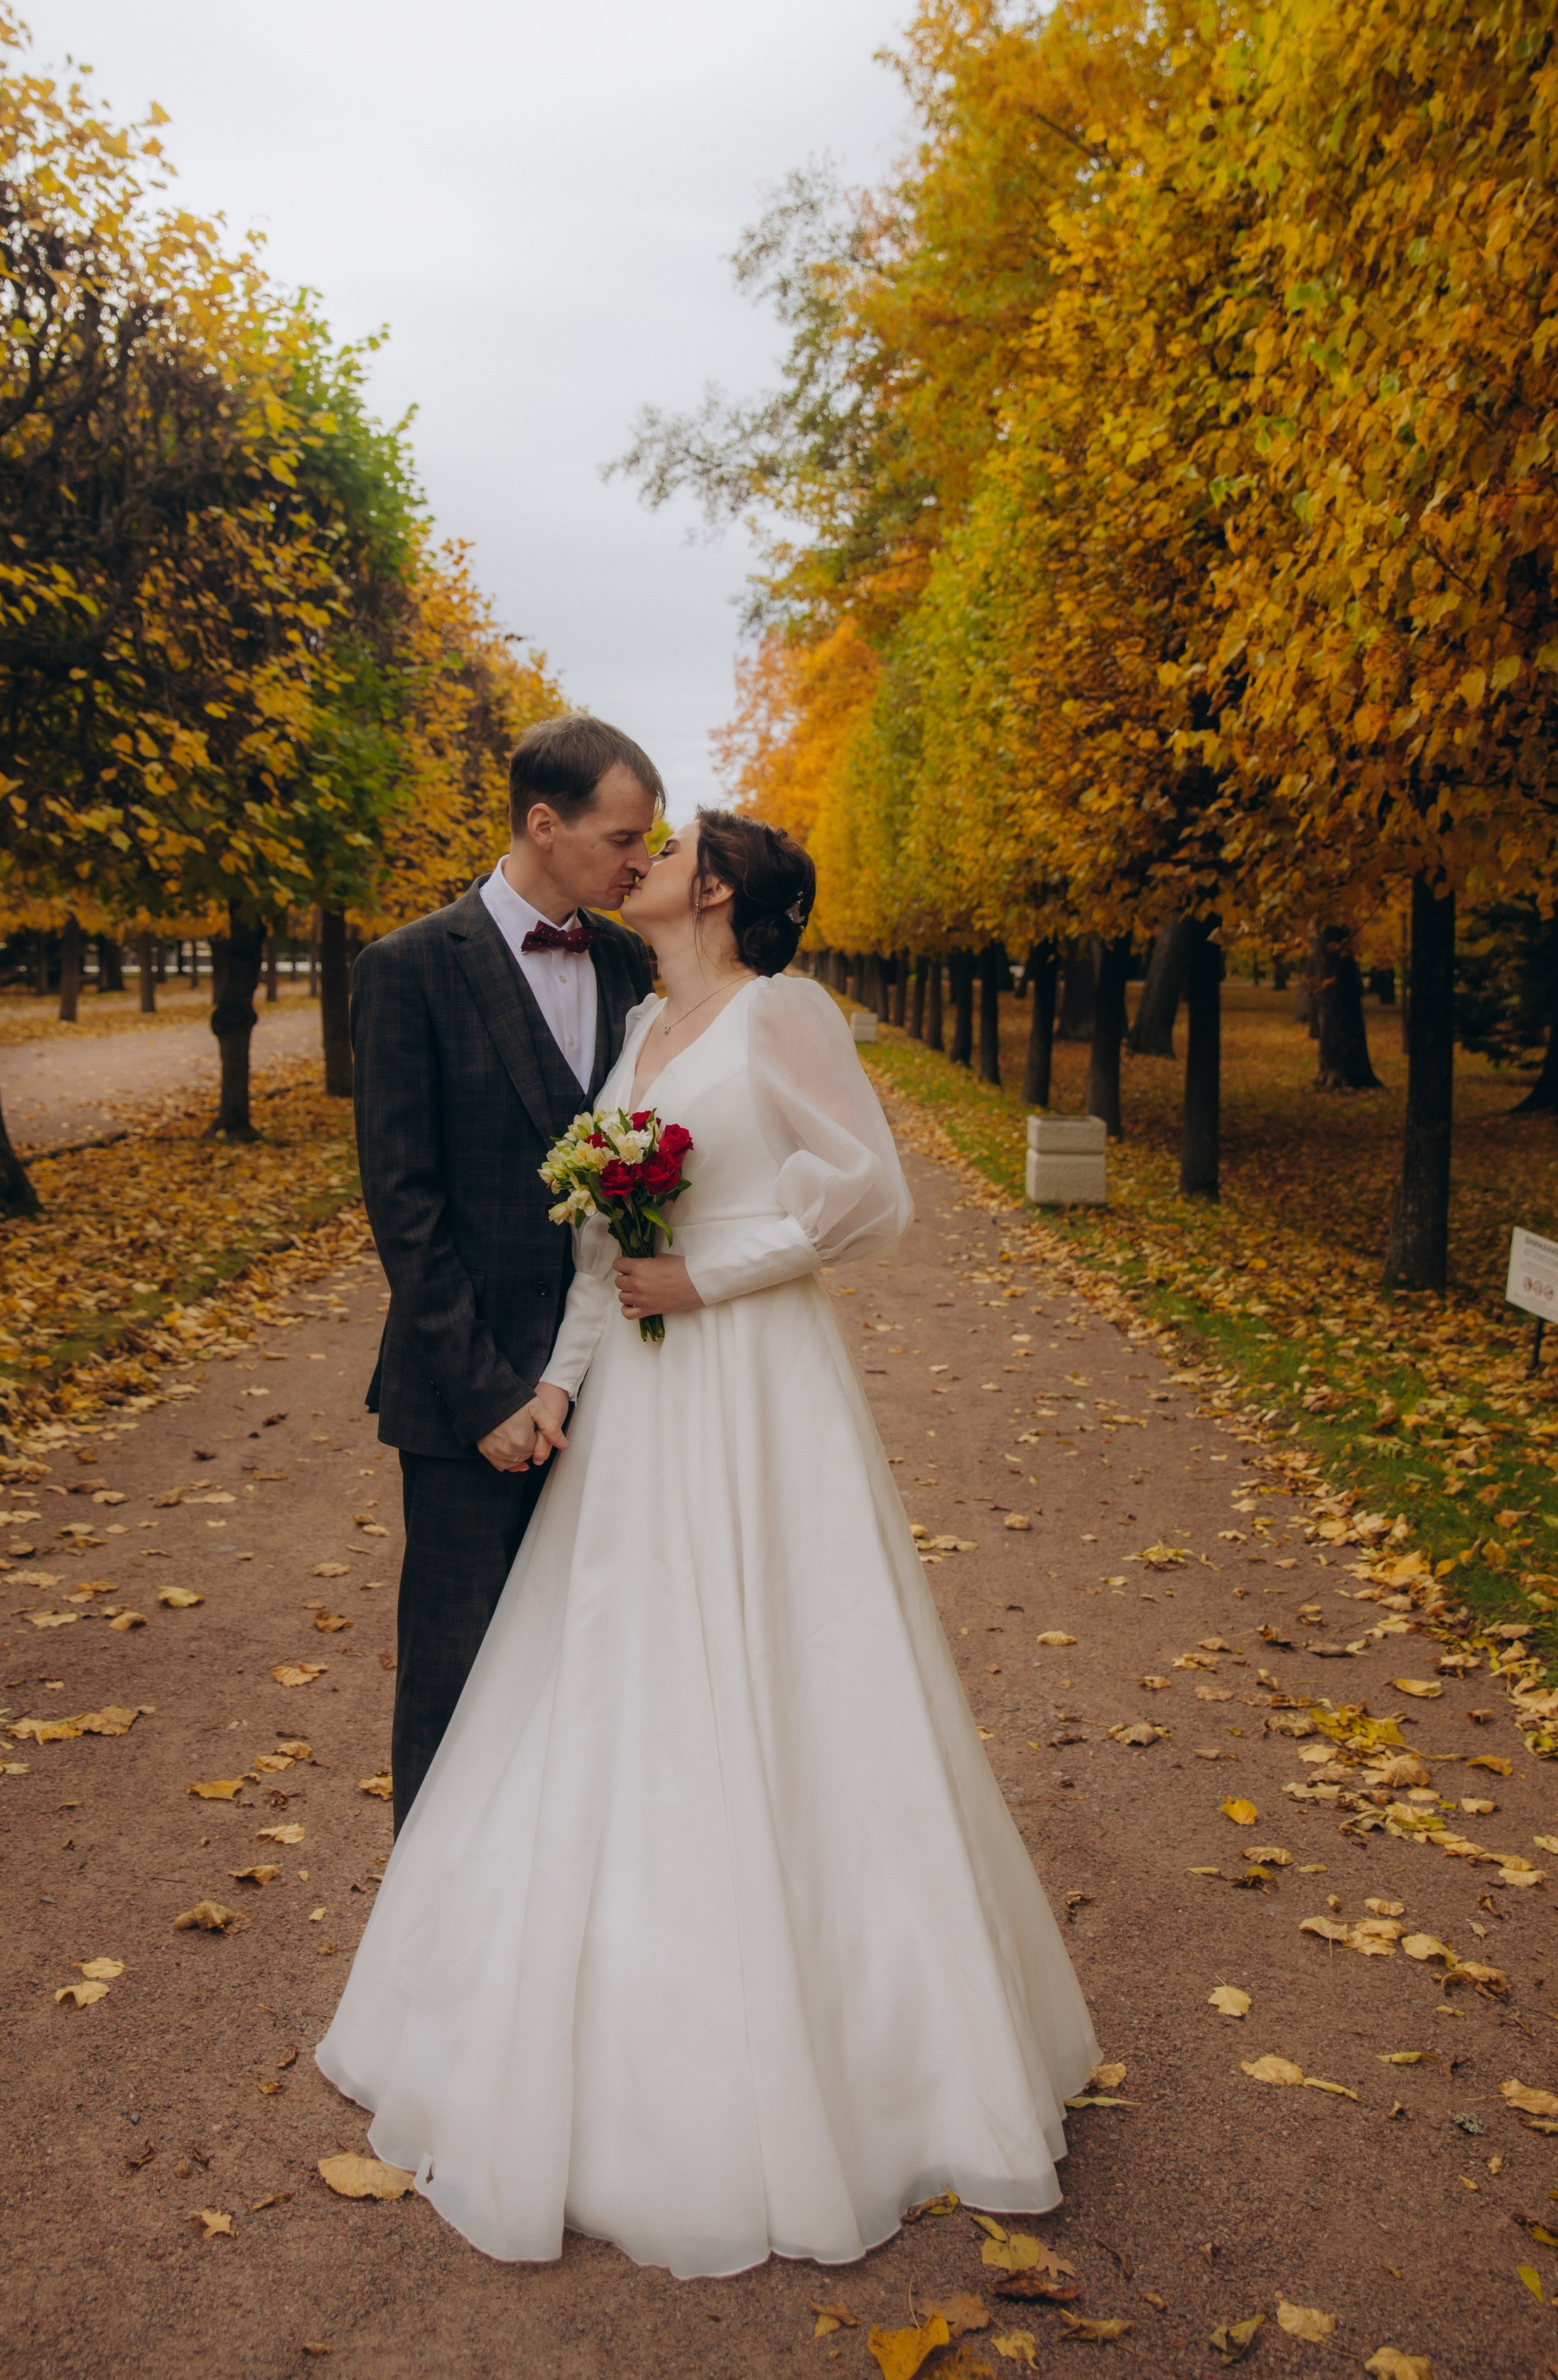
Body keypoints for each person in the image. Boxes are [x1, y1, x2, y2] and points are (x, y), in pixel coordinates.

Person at [320, 809, 1098, 2279]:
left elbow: (871, 1192)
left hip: (756, 1388)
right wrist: (551, 1384)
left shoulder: (780, 1013)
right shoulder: (633, 1030)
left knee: (791, 1665)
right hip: (640, 1411)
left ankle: (861, 2042)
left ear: (717, 888)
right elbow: (602, 1255)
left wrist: (717, 1271)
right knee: (618, 1679)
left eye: (667, 844)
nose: (645, 859)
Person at [351, 713, 660, 1827]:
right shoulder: (406, 970)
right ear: (544, 821)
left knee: (601, 1669)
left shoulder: (635, 963)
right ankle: (428, 1963)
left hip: (618, 1392)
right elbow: (405, 1205)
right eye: (624, 838)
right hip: (464, 1402)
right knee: (456, 1677)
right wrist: (489, 1395)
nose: (640, 863)